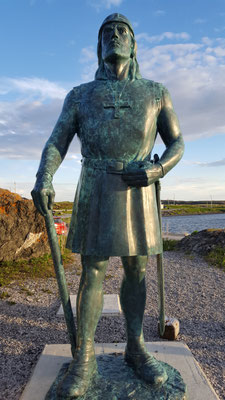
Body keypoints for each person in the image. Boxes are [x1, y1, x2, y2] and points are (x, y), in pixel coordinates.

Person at [32, 13, 184, 399]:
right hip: (96, 185)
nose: (115, 36)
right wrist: (44, 178)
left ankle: (136, 348)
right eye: (107, 32)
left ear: (134, 45)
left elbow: (177, 143)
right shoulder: (80, 95)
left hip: (138, 186)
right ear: (98, 46)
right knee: (93, 270)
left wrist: (157, 170)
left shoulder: (156, 92)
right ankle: (84, 358)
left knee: (137, 267)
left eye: (123, 32)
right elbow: (57, 142)